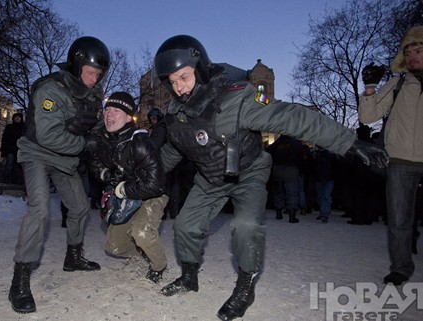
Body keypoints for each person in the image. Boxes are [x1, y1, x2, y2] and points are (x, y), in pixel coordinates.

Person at [153, 35, 389, 321]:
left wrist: (349, 143)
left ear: (200, 69)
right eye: (171, 82)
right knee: (185, 226)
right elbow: (171, 151)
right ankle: (189, 276)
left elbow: (294, 118)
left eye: (184, 77)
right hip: (210, 177)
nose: (178, 88)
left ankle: (245, 287)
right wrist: (146, 175)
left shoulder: (239, 97)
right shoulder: (177, 111)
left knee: (246, 226)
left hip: (248, 171)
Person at [8, 36, 110, 313]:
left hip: (66, 160)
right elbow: (49, 136)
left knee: (79, 207)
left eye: (98, 75)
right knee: (40, 211)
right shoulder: (50, 90)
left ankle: (73, 257)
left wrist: (101, 139)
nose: (93, 80)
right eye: (90, 73)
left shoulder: (94, 94)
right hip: (38, 154)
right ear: (77, 66)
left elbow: (96, 125)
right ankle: (20, 278)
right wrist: (85, 145)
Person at [358, 26, 423, 286]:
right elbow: (367, 116)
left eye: (418, 50)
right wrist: (370, 86)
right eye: (407, 52)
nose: (411, 57)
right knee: (399, 220)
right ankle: (401, 267)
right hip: (400, 161)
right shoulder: (399, 83)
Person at [88, 91, 168, 283]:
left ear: (128, 116)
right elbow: (94, 164)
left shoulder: (140, 142)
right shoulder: (101, 138)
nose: (109, 114)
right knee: (114, 247)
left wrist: (123, 189)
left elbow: (156, 184)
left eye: (116, 110)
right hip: (123, 195)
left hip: (152, 195)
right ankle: (141, 253)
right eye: (107, 110)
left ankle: (159, 265)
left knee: (141, 232)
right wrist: (107, 175)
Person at [266, 135, 304, 223]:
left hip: (277, 168)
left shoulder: (276, 143)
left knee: (278, 191)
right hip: (291, 169)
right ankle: (292, 215)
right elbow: (300, 157)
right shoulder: (295, 143)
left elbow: (269, 153)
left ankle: (278, 212)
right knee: (292, 192)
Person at [0, 112, 24, 183]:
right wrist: (4, 151)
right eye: (16, 117)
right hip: (10, 149)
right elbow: (4, 139)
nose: (17, 118)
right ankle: (6, 179)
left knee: (17, 166)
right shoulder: (9, 127)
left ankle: (16, 180)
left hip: (20, 150)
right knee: (9, 164)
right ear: (13, 118)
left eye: (19, 117)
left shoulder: (23, 128)